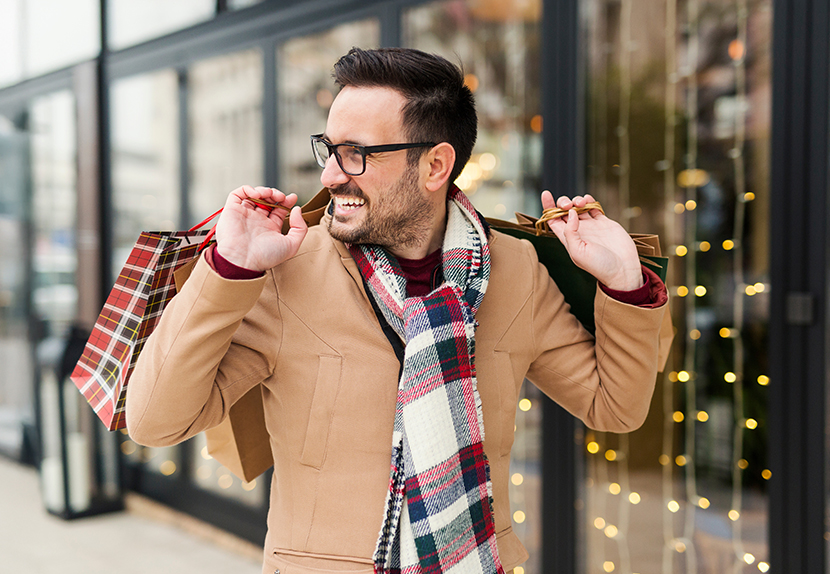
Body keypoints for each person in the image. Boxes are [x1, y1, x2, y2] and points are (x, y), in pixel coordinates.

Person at [127, 47, 668, 574]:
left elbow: (614, 409)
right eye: (329, 149)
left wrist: (624, 283)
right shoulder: (284, 271)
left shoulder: (517, 268)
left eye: (356, 153)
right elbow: (154, 422)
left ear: (435, 165)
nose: (331, 176)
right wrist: (229, 270)